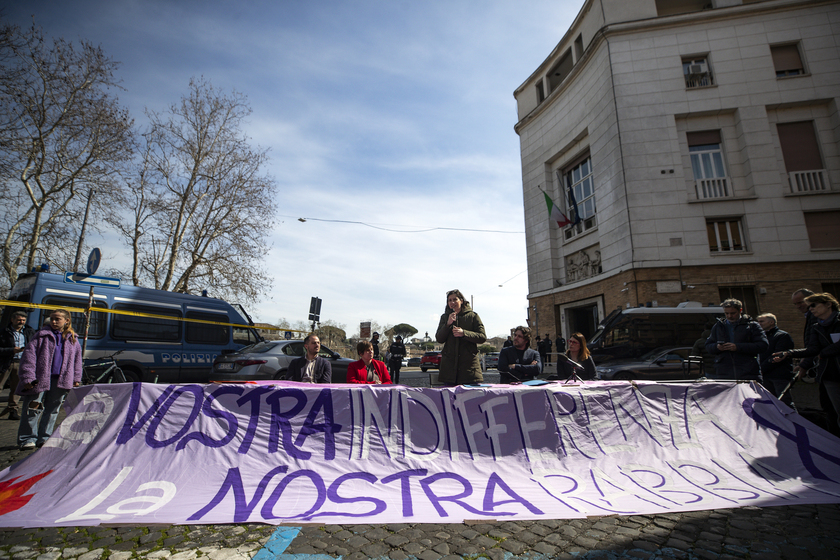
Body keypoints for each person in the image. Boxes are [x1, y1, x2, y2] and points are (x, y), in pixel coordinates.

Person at [774, 293, 840, 436]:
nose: (811, 309)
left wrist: (823, 353)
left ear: (828, 304)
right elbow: (812, 349)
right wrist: (789, 353)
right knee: (833, 411)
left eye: (814, 305)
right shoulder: (817, 327)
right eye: (809, 306)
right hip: (829, 374)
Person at [16, 309, 83, 450]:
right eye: (52, 318)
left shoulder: (73, 339)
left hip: (61, 380)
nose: (53, 321)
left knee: (52, 409)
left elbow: (77, 361)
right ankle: (27, 438)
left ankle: (44, 438)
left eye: (57, 319)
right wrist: (28, 377)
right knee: (33, 408)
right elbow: (28, 358)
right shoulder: (40, 337)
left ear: (66, 321)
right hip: (39, 379)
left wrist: (76, 378)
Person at [704, 299, 768, 381]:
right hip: (725, 372)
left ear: (740, 310)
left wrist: (737, 347)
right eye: (726, 313)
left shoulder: (752, 326)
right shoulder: (719, 326)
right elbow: (708, 345)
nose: (729, 316)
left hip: (748, 372)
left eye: (733, 313)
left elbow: (763, 345)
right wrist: (717, 347)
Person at [435, 289, 487, 385]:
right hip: (449, 371)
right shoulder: (444, 317)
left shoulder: (473, 316)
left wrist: (464, 333)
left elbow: (482, 337)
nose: (452, 302)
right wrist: (447, 325)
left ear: (461, 301)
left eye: (455, 299)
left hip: (469, 370)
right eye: (449, 300)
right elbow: (439, 339)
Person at [0, 311, 35, 421]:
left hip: (21, 362)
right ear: (12, 320)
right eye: (19, 320)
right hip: (6, 362)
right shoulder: (3, 333)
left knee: (16, 388)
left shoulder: (29, 332)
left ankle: (13, 409)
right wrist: (11, 350)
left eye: (23, 320)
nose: (21, 322)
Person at [756, 313, 795, 407]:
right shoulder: (761, 337)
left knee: (784, 402)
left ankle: (793, 421)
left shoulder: (782, 336)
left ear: (771, 322)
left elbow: (778, 356)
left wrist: (760, 369)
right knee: (770, 402)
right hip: (766, 376)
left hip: (779, 375)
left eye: (762, 321)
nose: (759, 324)